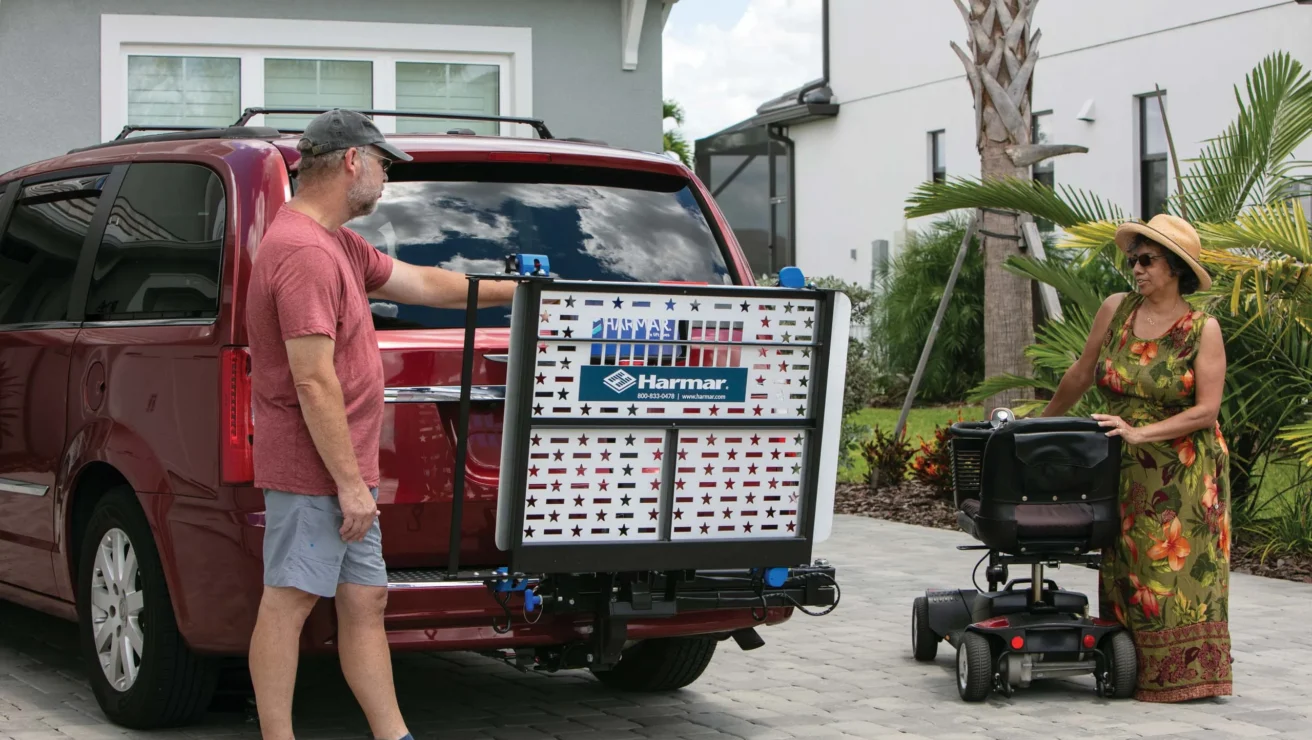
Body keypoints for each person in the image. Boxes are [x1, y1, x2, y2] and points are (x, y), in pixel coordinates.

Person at [244, 109, 516, 740]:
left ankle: (394, 736)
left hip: (345, 475)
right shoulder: (303, 253)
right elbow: (311, 379)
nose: (386, 176)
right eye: (383, 164)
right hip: (317, 473)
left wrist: (516, 292)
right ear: (350, 162)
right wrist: (348, 484)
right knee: (288, 601)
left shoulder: (337, 242)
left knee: (366, 602)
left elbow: (421, 281)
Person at [1040, 213, 1232, 702]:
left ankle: (1185, 678)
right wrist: (1038, 425)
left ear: (1175, 269)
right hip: (1122, 462)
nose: (1137, 269)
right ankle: (1125, 668)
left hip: (1185, 471)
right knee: (1125, 565)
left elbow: (1207, 411)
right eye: (1133, 260)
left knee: (1171, 572)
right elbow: (1082, 373)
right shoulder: (1117, 309)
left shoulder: (1201, 329)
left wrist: (1143, 433)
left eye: (1147, 260)